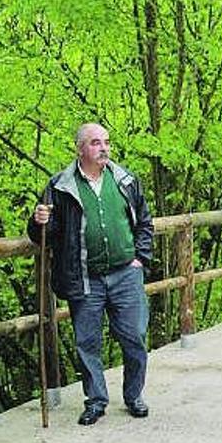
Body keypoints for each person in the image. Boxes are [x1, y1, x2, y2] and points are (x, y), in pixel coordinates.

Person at [27, 123, 154, 426]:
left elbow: (145, 223)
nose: (104, 148)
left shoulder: (125, 180)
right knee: (87, 342)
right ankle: (96, 400)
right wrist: (39, 220)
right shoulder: (60, 186)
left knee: (135, 336)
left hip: (126, 273)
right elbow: (45, 235)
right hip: (84, 277)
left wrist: (140, 258)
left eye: (107, 142)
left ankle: (134, 395)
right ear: (80, 148)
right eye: (96, 143)